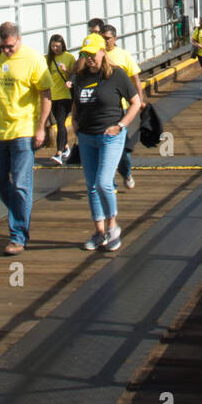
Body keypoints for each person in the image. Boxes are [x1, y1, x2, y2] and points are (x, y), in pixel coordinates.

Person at [0, 21, 52, 256]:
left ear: (19, 39)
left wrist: (41, 128)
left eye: (10, 47)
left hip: (23, 130)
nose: (6, 51)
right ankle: (19, 214)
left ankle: (17, 235)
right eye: (3, 47)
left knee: (20, 183)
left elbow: (46, 94)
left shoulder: (34, 59)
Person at [70, 33, 141, 252]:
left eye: (93, 54)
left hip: (110, 135)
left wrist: (121, 125)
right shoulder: (80, 77)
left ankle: (112, 226)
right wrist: (74, 123)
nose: (89, 58)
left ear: (103, 52)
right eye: (85, 54)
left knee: (103, 182)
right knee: (91, 186)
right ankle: (99, 232)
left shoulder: (116, 75)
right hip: (86, 136)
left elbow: (135, 102)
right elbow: (76, 102)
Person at [102, 25, 143, 189]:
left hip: (120, 108)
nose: (105, 41)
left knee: (122, 147)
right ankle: (110, 183)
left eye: (107, 38)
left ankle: (126, 173)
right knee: (104, 145)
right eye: (102, 38)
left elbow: (135, 78)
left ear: (115, 39)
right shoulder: (97, 55)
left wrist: (140, 99)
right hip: (101, 109)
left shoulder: (123, 56)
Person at [46, 33, 76, 164]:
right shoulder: (47, 59)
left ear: (62, 45)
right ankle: (66, 148)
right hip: (53, 96)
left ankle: (58, 153)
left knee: (60, 121)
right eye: (53, 46)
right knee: (59, 122)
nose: (55, 48)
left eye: (57, 46)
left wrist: (65, 71)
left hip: (65, 95)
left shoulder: (69, 57)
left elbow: (75, 76)